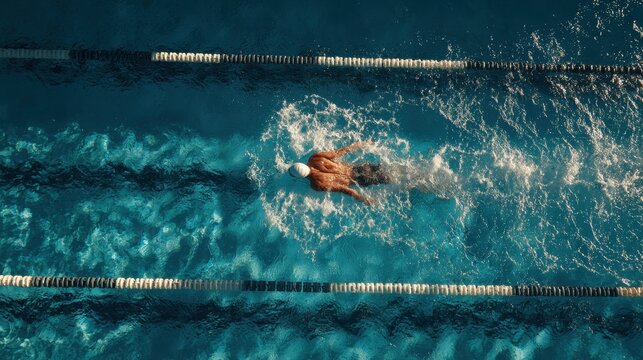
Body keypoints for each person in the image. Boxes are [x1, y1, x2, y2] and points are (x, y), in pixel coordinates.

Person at [288, 141, 390, 205]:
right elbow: (341, 151)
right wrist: (361, 143)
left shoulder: (316, 184)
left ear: (300, 177)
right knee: (391, 170)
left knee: (392, 178)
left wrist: (364, 199)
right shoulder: (315, 158)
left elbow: (343, 189)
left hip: (360, 180)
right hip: (360, 169)